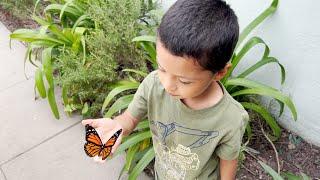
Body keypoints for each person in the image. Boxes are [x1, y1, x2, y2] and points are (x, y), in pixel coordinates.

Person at [82, 0, 249, 179]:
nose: (167, 85)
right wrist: (117, 126)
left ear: (220, 72)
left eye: (184, 81)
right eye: (161, 68)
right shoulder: (153, 85)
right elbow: (130, 118)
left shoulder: (230, 119)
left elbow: (228, 162)